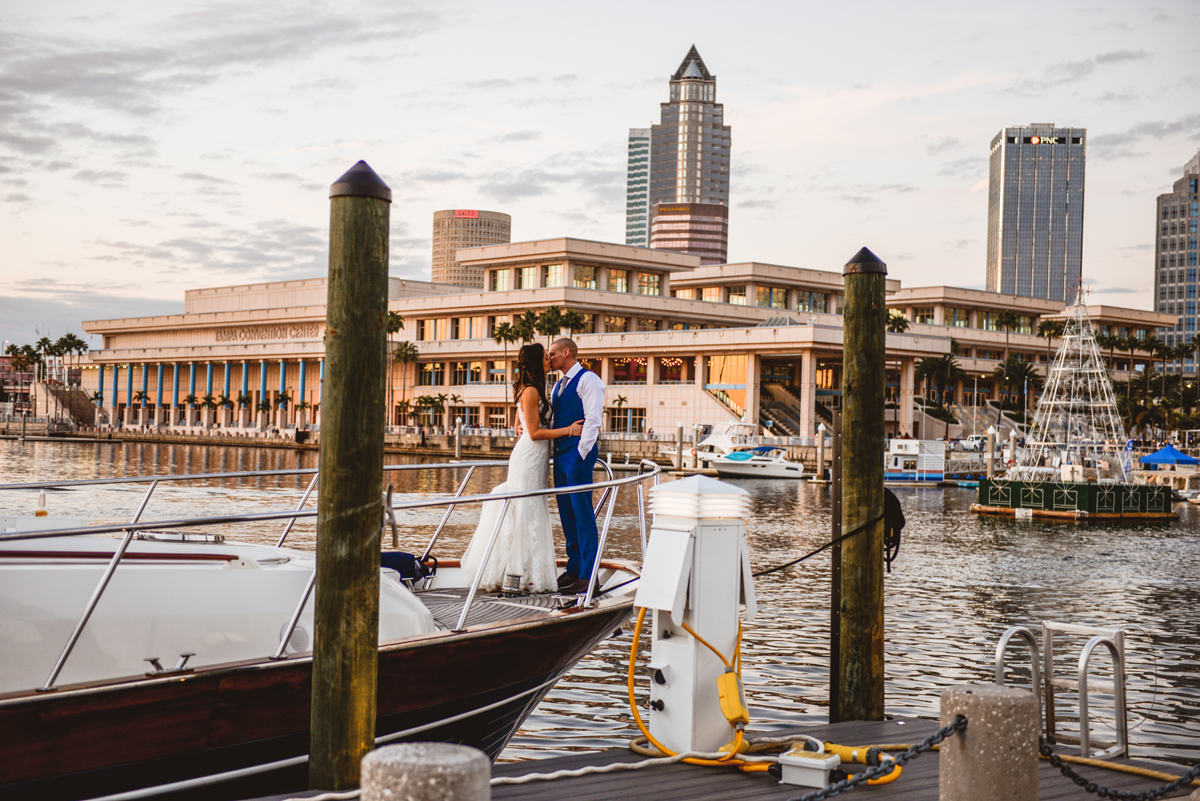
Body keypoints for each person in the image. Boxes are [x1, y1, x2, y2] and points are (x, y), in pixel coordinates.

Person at [460, 342, 584, 593]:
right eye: (546, 357)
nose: (549, 360)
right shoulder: (529, 391)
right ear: (537, 361)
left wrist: (518, 425)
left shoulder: (534, 388)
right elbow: (536, 433)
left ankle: (525, 573)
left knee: (530, 509)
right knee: (526, 508)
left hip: (535, 458)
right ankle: (516, 575)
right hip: (528, 456)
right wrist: (570, 430)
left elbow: (520, 421)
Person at [547, 337, 606, 594]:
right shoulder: (558, 385)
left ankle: (588, 574)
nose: (549, 359)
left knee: (582, 513)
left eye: (552, 354)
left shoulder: (587, 379)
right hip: (560, 454)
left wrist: (582, 453)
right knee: (566, 513)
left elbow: (593, 419)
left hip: (577, 454)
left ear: (566, 352)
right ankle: (574, 567)